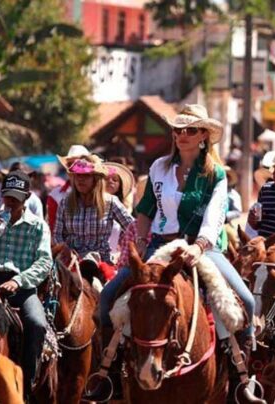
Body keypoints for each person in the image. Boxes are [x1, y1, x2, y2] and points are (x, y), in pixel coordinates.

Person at [87, 104, 262, 403]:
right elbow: (145, 210)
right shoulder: (159, 167)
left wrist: (200, 246)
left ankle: (239, 379)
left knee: (244, 300)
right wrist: (141, 240)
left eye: (190, 130)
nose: (182, 135)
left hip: (201, 248)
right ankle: (111, 374)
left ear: (204, 135)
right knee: (107, 299)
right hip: (159, 246)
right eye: (178, 130)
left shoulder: (216, 175)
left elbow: (215, 215)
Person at [0, 171, 52, 396]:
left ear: (26, 197)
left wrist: (19, 280)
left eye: (15, 197)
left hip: (21, 285)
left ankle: (27, 385)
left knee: (36, 323)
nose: (10, 202)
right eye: (7, 196)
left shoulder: (38, 226)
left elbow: (45, 262)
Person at [53, 155, 134, 282]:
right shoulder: (65, 203)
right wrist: (65, 249)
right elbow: (57, 235)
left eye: (86, 175)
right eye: (77, 175)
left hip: (102, 262)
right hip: (70, 262)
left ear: (96, 178)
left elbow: (132, 228)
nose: (80, 179)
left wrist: (125, 253)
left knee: (110, 296)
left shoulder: (111, 202)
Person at [47, 145, 91, 230]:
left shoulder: (103, 195)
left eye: (81, 164)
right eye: (72, 165)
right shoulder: (55, 196)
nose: (77, 169)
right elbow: (53, 230)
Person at [103, 161, 137, 269]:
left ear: (120, 185)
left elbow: (133, 229)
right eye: (106, 178)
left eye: (115, 179)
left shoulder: (121, 208)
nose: (110, 181)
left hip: (116, 260)